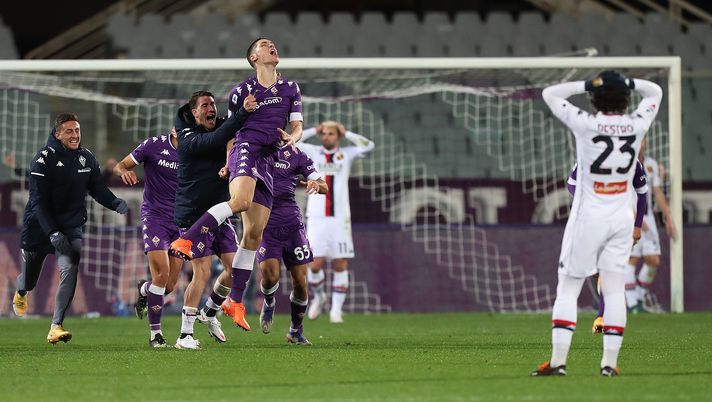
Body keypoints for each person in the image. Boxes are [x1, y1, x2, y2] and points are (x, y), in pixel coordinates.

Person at [531, 71, 662, 377]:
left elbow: (551, 93)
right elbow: (654, 92)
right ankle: (609, 364)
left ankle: (558, 362)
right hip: (621, 218)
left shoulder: (585, 123)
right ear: (627, 99)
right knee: (615, 288)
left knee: (569, 287)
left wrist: (587, 84)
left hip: (588, 216)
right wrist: (628, 83)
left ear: (593, 98)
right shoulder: (637, 123)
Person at [170, 38, 303, 331]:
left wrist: (294, 137)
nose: (273, 46)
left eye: (273, 44)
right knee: (240, 201)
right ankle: (188, 238)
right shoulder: (241, 92)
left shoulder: (290, 89)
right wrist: (230, 161)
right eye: (265, 44)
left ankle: (234, 302)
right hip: (246, 148)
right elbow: (231, 132)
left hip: (269, 159)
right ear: (254, 57)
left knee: (253, 236)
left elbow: (297, 125)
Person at [11, 113, 128, 344]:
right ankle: (21, 292)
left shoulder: (87, 158)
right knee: (29, 279)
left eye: (77, 130)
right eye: (69, 131)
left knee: (70, 268)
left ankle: (56, 326)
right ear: (58, 134)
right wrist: (52, 232)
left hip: (71, 225)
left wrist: (114, 202)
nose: (75, 135)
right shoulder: (43, 160)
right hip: (40, 226)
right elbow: (38, 202)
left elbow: (97, 188)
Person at [171, 91, 251, 349]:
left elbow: (230, 135)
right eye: (205, 105)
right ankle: (184, 334)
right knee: (202, 271)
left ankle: (210, 311)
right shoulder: (187, 137)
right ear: (194, 112)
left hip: (219, 213)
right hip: (194, 214)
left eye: (213, 104)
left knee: (235, 270)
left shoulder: (221, 126)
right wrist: (241, 114)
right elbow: (215, 139)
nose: (211, 109)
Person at [297, 121, 375, 323]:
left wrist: (346, 130)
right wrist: (314, 129)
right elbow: (292, 139)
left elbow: (369, 145)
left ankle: (336, 311)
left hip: (340, 218)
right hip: (316, 216)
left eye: (331, 134)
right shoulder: (313, 152)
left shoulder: (346, 154)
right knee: (314, 264)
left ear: (338, 136)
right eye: (324, 134)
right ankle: (319, 297)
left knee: (340, 262)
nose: (326, 137)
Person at [113, 127, 183, 348]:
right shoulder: (153, 145)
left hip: (181, 221)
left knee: (169, 285)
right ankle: (156, 335)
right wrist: (123, 171)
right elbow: (121, 165)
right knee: (162, 275)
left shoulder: (196, 150)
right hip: (154, 217)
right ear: (174, 128)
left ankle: (144, 289)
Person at [566, 161, 648, 333]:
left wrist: (637, 225)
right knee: (595, 271)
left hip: (618, 221)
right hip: (589, 220)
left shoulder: (631, 159)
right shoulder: (588, 153)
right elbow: (572, 184)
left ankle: (602, 316)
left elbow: (642, 192)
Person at [257, 145, 327, 345]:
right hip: (264, 223)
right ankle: (269, 301)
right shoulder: (254, 149)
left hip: (292, 225)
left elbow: (324, 186)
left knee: (300, 281)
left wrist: (316, 184)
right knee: (270, 277)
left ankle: (295, 330)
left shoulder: (296, 154)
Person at [627, 137, 676, 313]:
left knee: (653, 259)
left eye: (643, 139)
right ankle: (632, 304)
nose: (641, 142)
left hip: (648, 216)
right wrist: (634, 217)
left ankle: (637, 299)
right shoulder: (623, 163)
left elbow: (657, 192)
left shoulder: (651, 165)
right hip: (629, 216)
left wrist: (668, 216)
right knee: (630, 259)